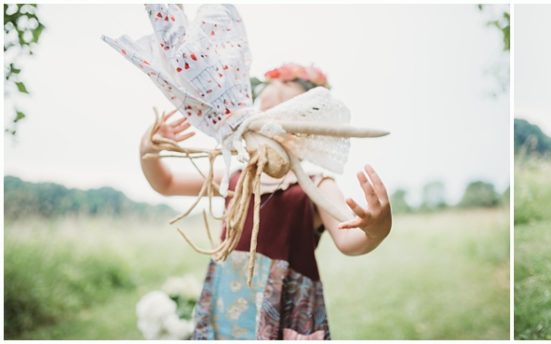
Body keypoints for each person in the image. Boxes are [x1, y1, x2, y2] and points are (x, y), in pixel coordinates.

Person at [138, 63, 393, 339]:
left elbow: (350, 241)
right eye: (264, 108)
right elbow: (166, 183)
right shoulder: (235, 178)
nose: (270, 119)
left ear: (312, 129)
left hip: (286, 309)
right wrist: (147, 150)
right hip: (226, 302)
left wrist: (377, 228)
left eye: (286, 110)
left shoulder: (316, 186)